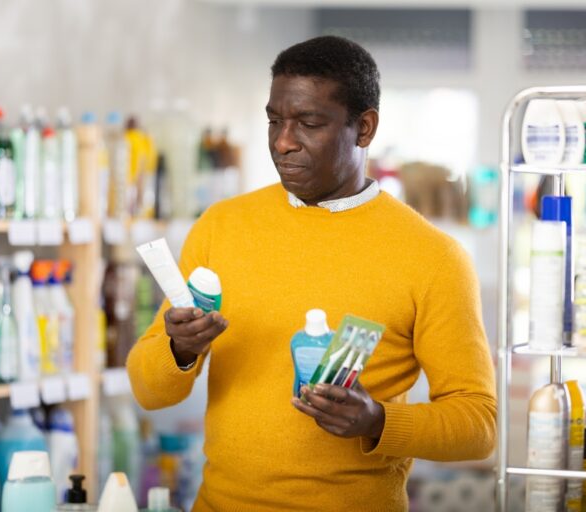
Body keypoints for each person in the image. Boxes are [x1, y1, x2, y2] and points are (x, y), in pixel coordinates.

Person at [127, 35, 496, 511]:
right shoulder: (222, 226)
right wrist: (180, 348)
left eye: (309, 123)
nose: (283, 142)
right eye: (275, 120)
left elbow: (479, 426)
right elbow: (146, 389)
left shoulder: (434, 257)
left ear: (364, 128)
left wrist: (378, 421)